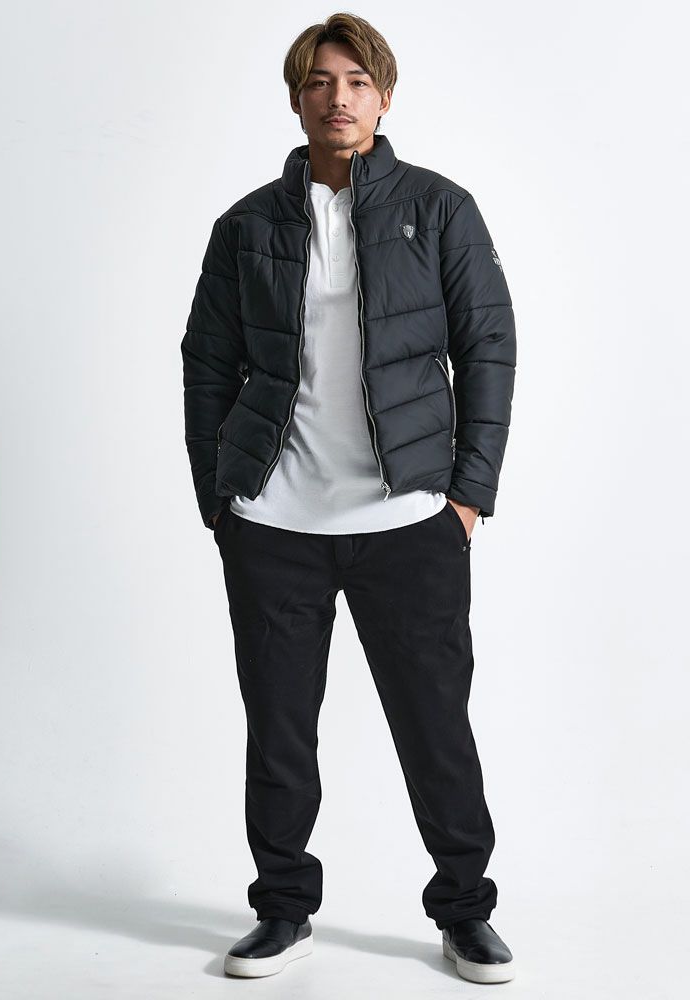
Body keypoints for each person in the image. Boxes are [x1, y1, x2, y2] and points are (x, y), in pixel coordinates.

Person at [181, 12, 516, 984]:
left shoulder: (439, 209)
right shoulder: (247, 226)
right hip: (275, 524)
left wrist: (468, 495)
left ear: (384, 97)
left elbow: (488, 346)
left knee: (436, 729)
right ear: (297, 99)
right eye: (321, 82)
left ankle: (465, 910)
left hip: (408, 522)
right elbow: (207, 363)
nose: (340, 98)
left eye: (358, 82)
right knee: (280, 733)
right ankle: (282, 911)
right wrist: (220, 498)